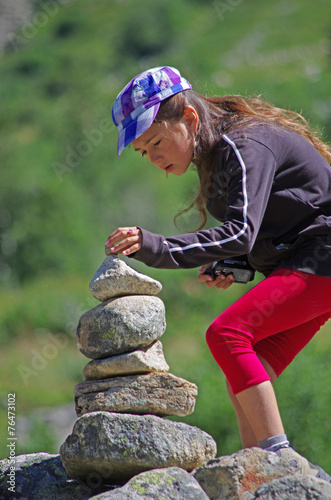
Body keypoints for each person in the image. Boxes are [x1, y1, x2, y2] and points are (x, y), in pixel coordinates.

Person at [106, 66, 331, 480]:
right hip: (311, 262)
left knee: (226, 335)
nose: (154, 159)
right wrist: (237, 264)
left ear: (189, 119)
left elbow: (242, 232)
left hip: (322, 258)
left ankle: (279, 465)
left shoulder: (243, 144)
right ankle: (256, 472)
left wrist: (154, 246)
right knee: (248, 365)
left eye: (156, 142)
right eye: (143, 152)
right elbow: (261, 233)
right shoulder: (219, 158)